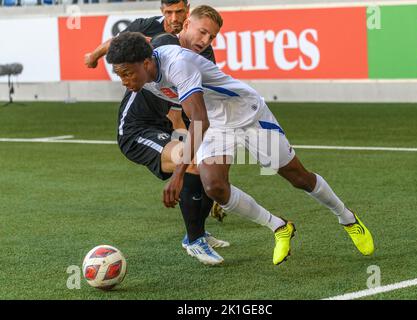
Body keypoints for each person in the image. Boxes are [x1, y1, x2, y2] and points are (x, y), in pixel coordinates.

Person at [105, 6, 375, 265]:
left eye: (127, 73)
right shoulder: (147, 71)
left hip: (248, 114)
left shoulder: (178, 65)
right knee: (215, 187)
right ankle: (279, 226)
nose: (124, 81)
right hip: (217, 123)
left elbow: (199, 119)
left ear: (146, 62)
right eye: (120, 74)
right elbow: (197, 115)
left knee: (297, 177)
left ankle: (347, 218)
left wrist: (177, 176)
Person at [85, 1, 227, 266]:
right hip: (138, 129)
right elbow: (176, 114)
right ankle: (194, 240)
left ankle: (198, 230)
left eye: (210, 36)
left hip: (167, 122)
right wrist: (93, 56)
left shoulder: (201, 58)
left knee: (212, 159)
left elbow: (193, 106)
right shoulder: (159, 42)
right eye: (202, 32)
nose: (204, 40)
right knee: (195, 160)